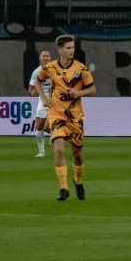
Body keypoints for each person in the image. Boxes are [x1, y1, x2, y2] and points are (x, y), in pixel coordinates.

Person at [38, 36, 95, 201]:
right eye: (68, 48)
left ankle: (78, 181)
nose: (72, 50)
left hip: (75, 117)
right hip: (56, 114)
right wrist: (44, 98)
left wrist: (79, 93)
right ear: (60, 50)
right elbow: (38, 81)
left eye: (73, 47)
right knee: (59, 149)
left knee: (77, 153)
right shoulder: (50, 67)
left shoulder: (81, 68)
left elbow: (92, 89)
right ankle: (63, 188)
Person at [27, 48, 53, 158]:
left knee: (47, 127)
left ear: (50, 58)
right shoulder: (36, 72)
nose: (46, 57)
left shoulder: (55, 70)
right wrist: (33, 92)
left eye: (48, 56)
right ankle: (41, 151)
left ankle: (55, 135)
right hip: (42, 101)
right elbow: (31, 89)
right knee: (39, 126)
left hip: (54, 101)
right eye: (44, 56)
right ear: (40, 58)